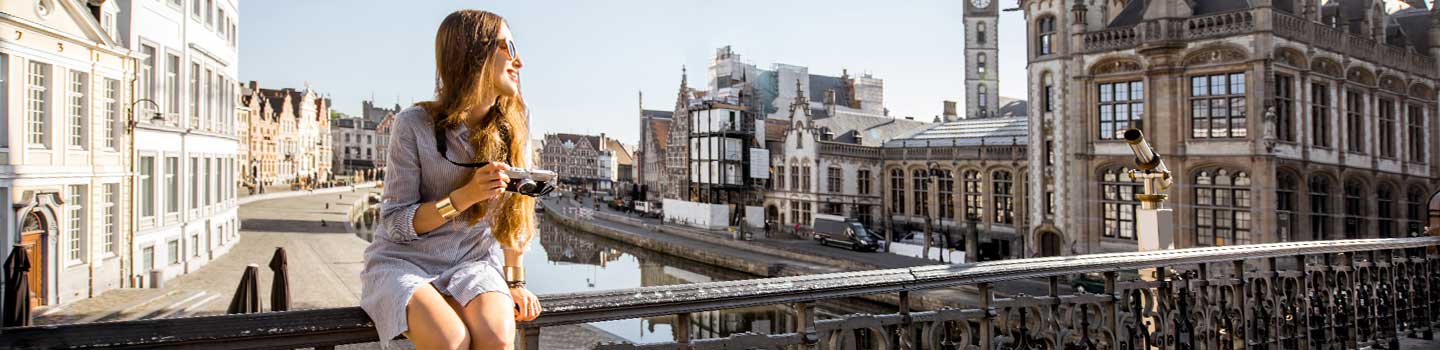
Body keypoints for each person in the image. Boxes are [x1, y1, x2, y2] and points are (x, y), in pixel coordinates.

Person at [360, 10, 540, 350]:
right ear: (475, 54)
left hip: (473, 262)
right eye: (509, 48)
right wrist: (464, 197)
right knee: (450, 340)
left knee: (498, 337)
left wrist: (516, 281)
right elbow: (396, 224)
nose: (520, 61)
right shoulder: (413, 124)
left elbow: (517, 211)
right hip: (404, 262)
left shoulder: (516, 121)